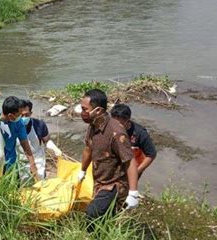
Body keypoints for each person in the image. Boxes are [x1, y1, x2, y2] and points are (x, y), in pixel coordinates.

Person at [76, 89, 139, 224]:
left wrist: (133, 192)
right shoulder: (93, 126)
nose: (82, 113)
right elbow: (88, 148)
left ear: (98, 111)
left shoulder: (116, 132)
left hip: (114, 184)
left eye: (84, 109)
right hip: (100, 180)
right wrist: (82, 170)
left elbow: (130, 160)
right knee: (106, 217)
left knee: (91, 215)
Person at [16, 99, 62, 181]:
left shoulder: (39, 125)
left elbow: (46, 140)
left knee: (40, 180)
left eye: (26, 115)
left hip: (37, 158)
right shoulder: (13, 126)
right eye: (21, 115)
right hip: (20, 159)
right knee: (24, 183)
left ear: (31, 113)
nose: (23, 118)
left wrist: (54, 148)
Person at [110, 104, 157, 178]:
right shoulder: (110, 128)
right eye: (114, 123)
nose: (116, 127)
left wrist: (136, 172)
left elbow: (151, 155)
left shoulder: (140, 134)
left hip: (133, 168)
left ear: (127, 120)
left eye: (120, 124)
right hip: (116, 167)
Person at [0, 96, 37, 179]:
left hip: (11, 164)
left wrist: (32, 163)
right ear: (10, 116)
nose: (21, 117)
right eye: (19, 115)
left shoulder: (19, 123)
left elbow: (25, 144)